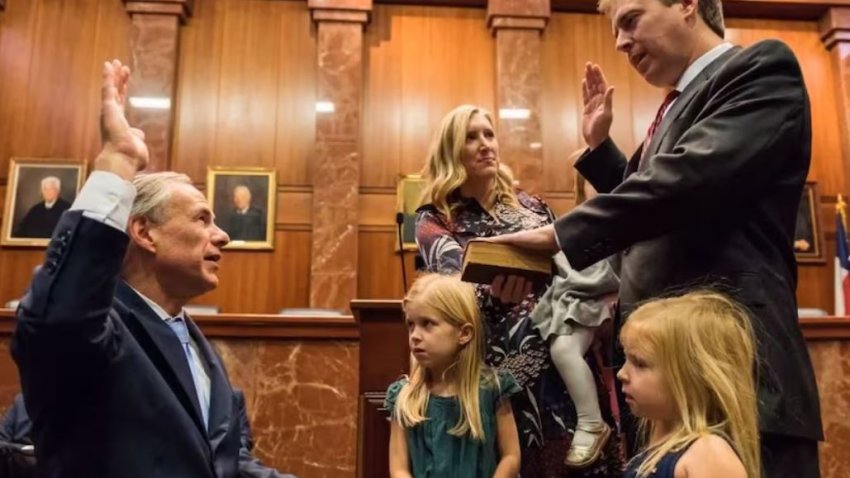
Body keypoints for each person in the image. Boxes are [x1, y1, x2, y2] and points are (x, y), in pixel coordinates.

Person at [490, 0, 823, 475]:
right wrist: (601, 152)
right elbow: (664, 204)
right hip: (673, 386)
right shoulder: (674, 106)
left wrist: (558, 235)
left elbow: (688, 181)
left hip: (733, 376)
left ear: (688, 5)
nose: (622, 42)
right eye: (616, 31)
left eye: (631, 20)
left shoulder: (759, 68)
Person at [11, 59, 294, 477]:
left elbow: (226, 464)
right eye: (201, 219)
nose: (223, 236)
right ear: (144, 232)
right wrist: (117, 165)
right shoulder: (95, 333)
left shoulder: (197, 346)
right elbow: (59, 316)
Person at [415, 105, 623, 476]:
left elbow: (569, 266)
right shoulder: (435, 218)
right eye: (471, 137)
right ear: (450, 149)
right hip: (498, 377)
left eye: (489, 134)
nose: (485, 145)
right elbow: (450, 300)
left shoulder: (532, 205)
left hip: (561, 360)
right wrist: (493, 299)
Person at [385, 273, 521, 478]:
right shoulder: (404, 397)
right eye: (411, 324)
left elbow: (511, 456)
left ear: (464, 333)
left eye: (427, 323)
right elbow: (399, 469)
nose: (414, 335)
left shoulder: (493, 389)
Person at [618, 291, 760, 478]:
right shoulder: (657, 444)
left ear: (693, 378)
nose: (621, 373)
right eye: (626, 359)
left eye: (640, 363)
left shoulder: (708, 454)